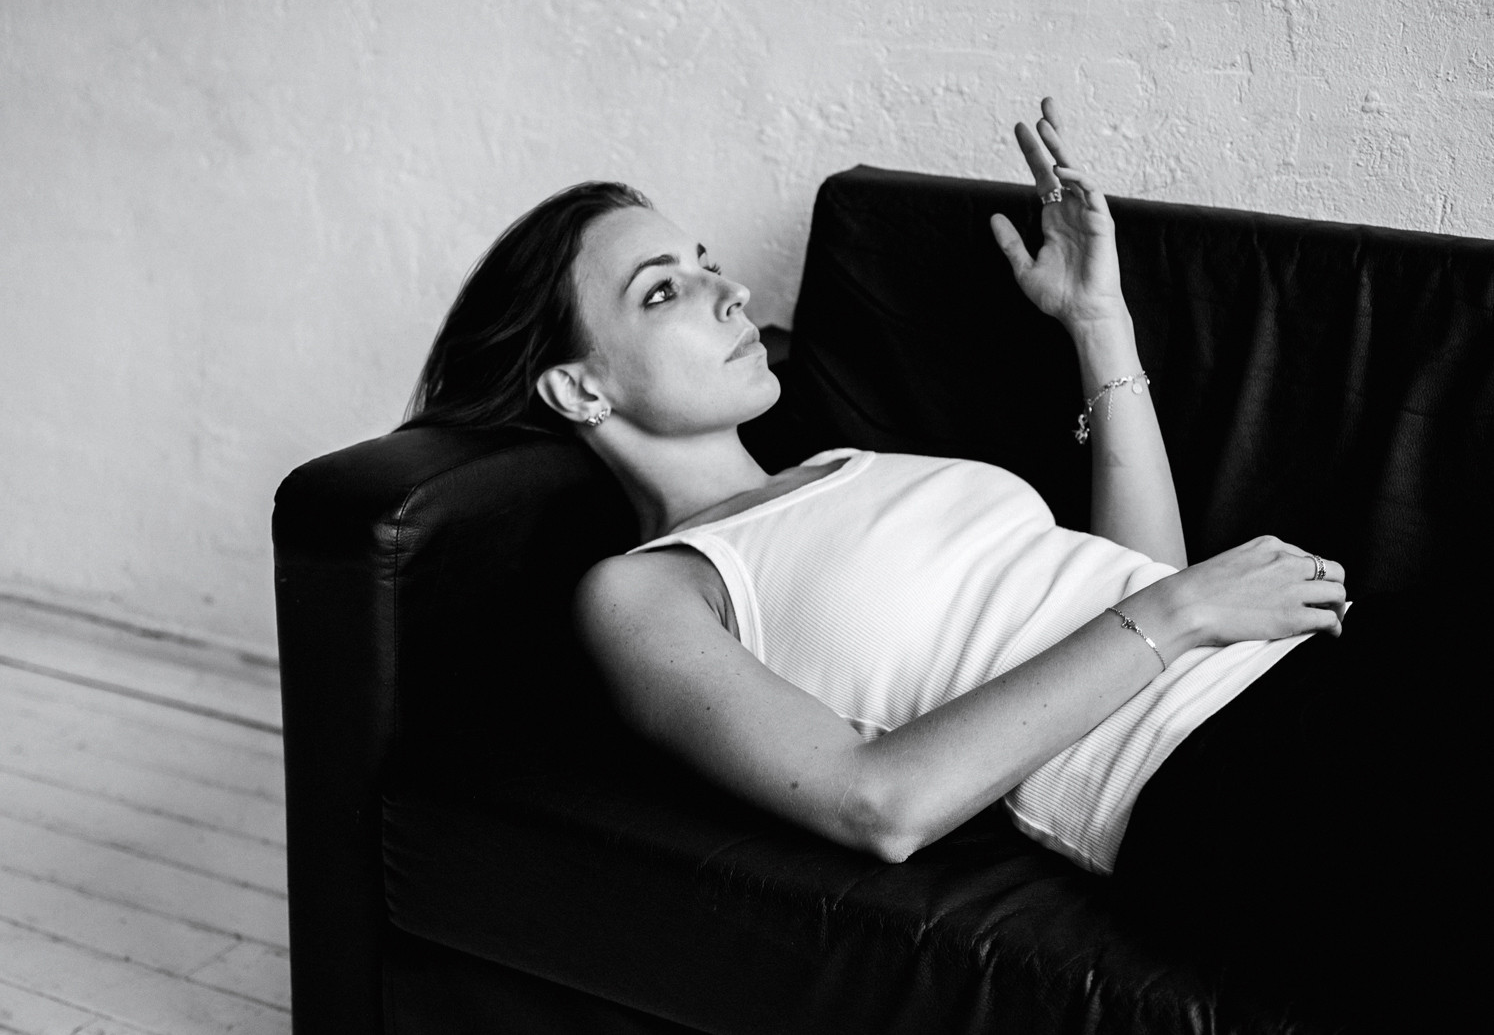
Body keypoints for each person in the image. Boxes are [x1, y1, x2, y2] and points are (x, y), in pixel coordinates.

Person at [406, 98, 1474, 1025]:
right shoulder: (650, 587)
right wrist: (1181, 614)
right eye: (661, 291)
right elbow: (880, 804)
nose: (726, 293)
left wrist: (1098, 322)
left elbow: (1129, 577)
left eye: (706, 263)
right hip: (1229, 777)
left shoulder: (849, 459)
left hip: (1333, 654)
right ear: (578, 389)